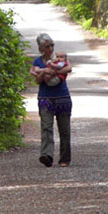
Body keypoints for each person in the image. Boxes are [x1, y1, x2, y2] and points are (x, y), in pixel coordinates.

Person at [30, 33, 72, 167]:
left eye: (52, 45)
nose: (51, 48)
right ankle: (46, 155)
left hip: (62, 97)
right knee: (46, 127)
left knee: (64, 129)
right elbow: (37, 80)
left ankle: (65, 158)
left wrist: (46, 71)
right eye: (47, 46)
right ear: (41, 48)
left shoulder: (60, 57)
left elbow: (68, 68)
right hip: (45, 98)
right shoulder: (37, 61)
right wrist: (45, 72)